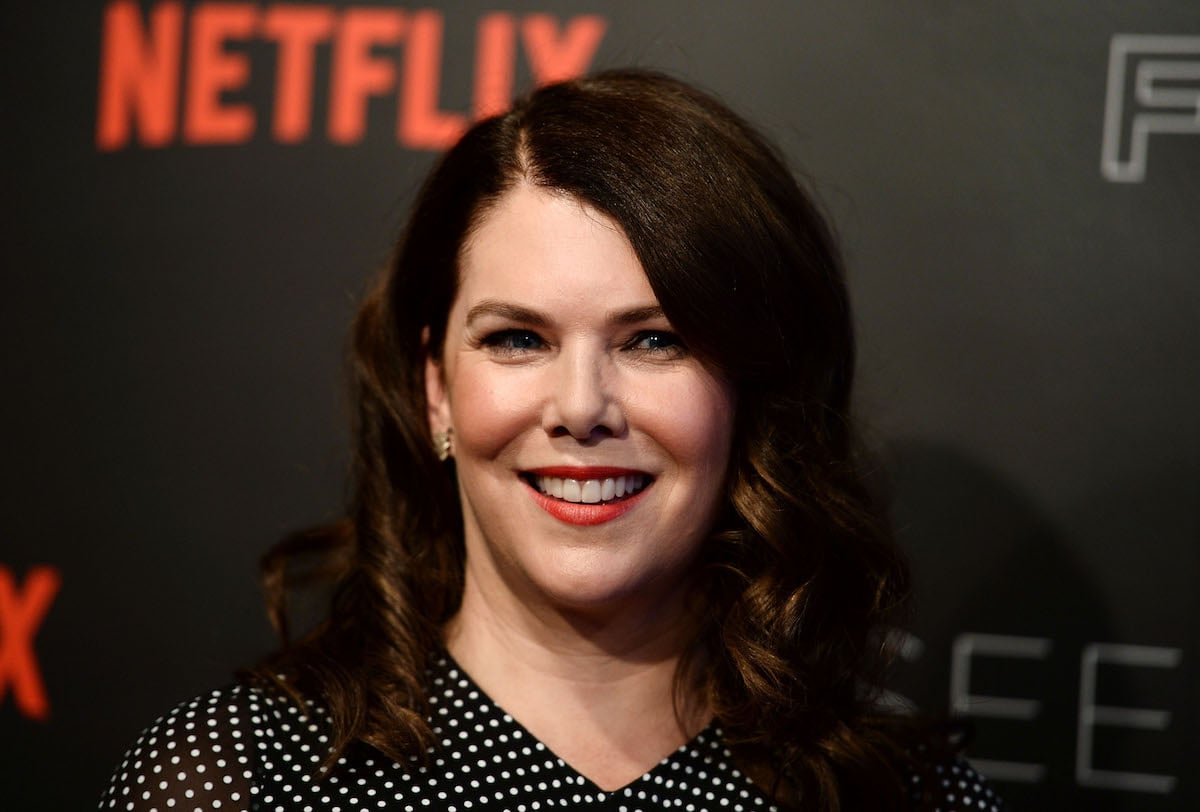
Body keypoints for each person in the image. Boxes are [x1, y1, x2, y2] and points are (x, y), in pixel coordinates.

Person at [101, 70, 1003, 812]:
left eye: (655, 340)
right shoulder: (251, 780)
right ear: (436, 389)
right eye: (517, 339)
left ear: (751, 391)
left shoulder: (906, 799)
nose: (581, 407)